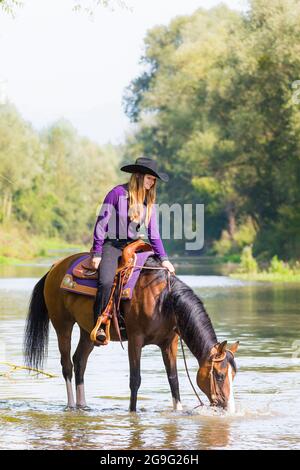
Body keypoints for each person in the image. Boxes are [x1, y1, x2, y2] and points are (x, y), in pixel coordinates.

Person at [88, 156, 175, 343]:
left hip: (134, 245)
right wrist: (96, 252)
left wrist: (165, 259)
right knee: (105, 281)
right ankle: (100, 322)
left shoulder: (147, 201)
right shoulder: (117, 193)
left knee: (153, 275)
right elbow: (101, 224)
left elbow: (154, 233)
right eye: (150, 178)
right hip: (112, 245)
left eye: (154, 180)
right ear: (139, 176)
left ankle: (138, 319)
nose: (153, 183)